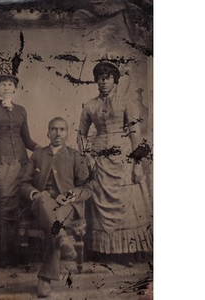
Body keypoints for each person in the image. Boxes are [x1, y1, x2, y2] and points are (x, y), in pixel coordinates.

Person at [77, 62, 152, 264]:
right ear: (96, 80)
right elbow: (81, 135)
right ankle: (101, 251)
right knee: (99, 198)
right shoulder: (90, 105)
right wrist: (87, 156)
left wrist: (137, 164)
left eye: (108, 77)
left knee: (125, 199)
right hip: (99, 158)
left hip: (124, 156)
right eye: (100, 77)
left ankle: (126, 252)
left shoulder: (127, 103)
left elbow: (135, 133)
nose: (104, 81)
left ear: (115, 80)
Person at [21, 117, 91, 298]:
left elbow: (87, 187)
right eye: (54, 129)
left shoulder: (75, 156)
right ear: (48, 132)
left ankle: (45, 277)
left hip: (66, 207)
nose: (58, 133)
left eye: (62, 129)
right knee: (44, 199)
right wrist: (35, 194)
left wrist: (69, 197)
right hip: (41, 205)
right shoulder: (38, 155)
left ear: (67, 133)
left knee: (55, 224)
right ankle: (61, 238)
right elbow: (24, 183)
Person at [0, 62, 39, 267]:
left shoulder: (21, 110)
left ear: (15, 87)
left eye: (9, 83)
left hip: (22, 163)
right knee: (5, 203)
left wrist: (46, 150)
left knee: (24, 202)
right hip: (0, 164)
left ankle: (20, 251)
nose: (5, 87)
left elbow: (28, 141)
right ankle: (3, 254)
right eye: (1, 83)